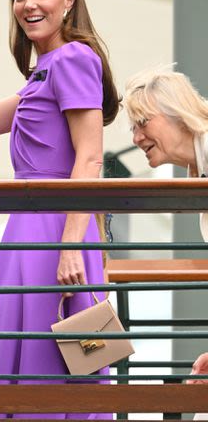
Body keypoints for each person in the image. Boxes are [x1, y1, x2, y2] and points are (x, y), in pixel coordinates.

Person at [0, 0, 120, 420]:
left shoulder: (72, 59)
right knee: (24, 362)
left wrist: (70, 246)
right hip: (29, 231)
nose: (28, 4)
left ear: (68, 0)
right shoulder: (42, 72)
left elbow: (89, 157)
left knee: (49, 367)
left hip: (58, 229)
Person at [124, 66, 208, 421]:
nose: (136, 137)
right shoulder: (198, 172)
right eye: (133, 126)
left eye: (143, 121)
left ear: (178, 113)